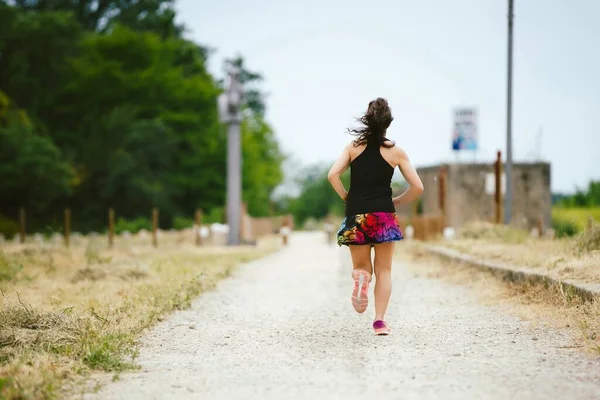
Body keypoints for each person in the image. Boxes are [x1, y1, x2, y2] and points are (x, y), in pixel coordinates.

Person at [327, 98, 424, 335]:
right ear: (387, 123)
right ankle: (379, 321)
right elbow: (418, 187)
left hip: (357, 214)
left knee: (362, 267)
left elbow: (333, 175)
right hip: (383, 215)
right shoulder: (396, 152)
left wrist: (346, 198)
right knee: (384, 271)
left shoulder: (353, 147)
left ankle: (361, 277)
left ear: (367, 120)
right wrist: (397, 201)